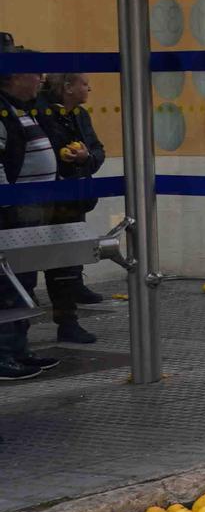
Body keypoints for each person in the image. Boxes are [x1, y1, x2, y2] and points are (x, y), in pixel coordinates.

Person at [0, 65, 62, 380]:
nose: (41, 78)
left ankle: (19, 349)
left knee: (23, 283)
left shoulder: (24, 110)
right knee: (7, 285)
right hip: (12, 214)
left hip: (32, 212)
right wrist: (5, 205)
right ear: (11, 76)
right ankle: (4, 354)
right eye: (33, 73)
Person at [39, 72, 105, 344]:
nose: (89, 88)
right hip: (45, 200)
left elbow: (97, 150)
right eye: (83, 83)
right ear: (67, 87)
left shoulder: (79, 115)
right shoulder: (41, 113)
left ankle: (69, 312)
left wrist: (86, 157)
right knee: (43, 262)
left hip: (74, 198)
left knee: (67, 258)